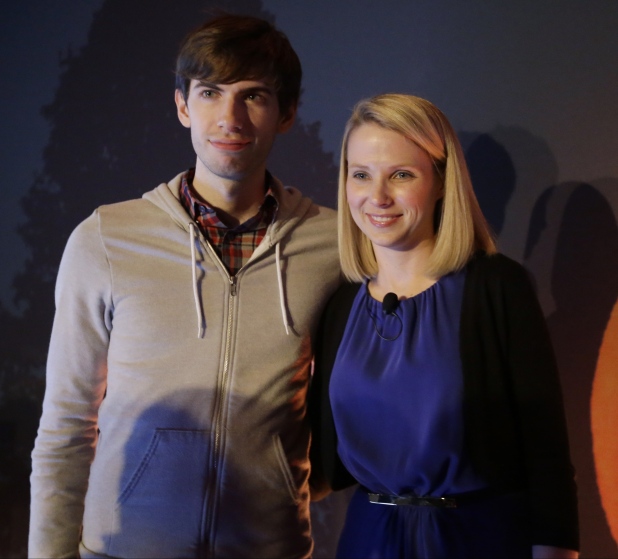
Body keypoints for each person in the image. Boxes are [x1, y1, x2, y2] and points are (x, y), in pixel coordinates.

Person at [29, 14, 341, 558]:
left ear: (287, 113)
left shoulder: (334, 245)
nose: (230, 117)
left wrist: (290, 487)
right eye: (211, 92)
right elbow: (65, 426)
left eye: (255, 96)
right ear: (182, 106)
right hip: (123, 550)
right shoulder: (105, 239)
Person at [308, 93, 579, 558]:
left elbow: (546, 449)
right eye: (361, 175)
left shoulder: (497, 287)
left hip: (479, 540)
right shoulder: (340, 303)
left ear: (440, 181)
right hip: (368, 541)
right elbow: (320, 464)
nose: (377, 196)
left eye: (401, 175)